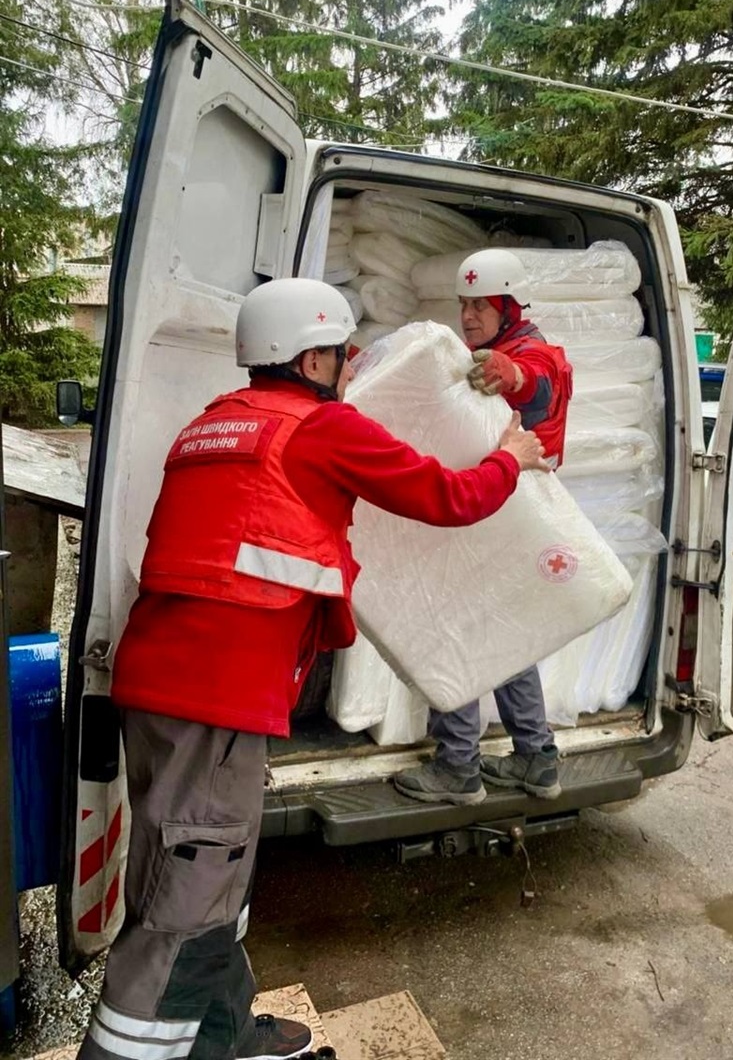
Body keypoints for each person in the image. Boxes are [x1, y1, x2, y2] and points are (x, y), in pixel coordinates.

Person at [77, 277, 547, 1060]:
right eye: (337, 352)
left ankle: (223, 1034)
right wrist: (511, 456)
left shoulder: (211, 426)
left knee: (205, 877)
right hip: (217, 700)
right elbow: (446, 496)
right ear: (310, 356)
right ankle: (127, 1051)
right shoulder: (324, 429)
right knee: (186, 903)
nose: (346, 365)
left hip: (157, 684)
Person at [395, 248, 573, 808]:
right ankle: (537, 758)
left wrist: (511, 374)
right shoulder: (482, 352)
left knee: (458, 625)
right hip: (512, 514)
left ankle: (457, 766)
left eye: (481, 305)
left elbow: (538, 384)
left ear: (508, 305)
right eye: (464, 304)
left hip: (500, 511)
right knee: (504, 632)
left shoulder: (534, 354)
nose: (468, 316)